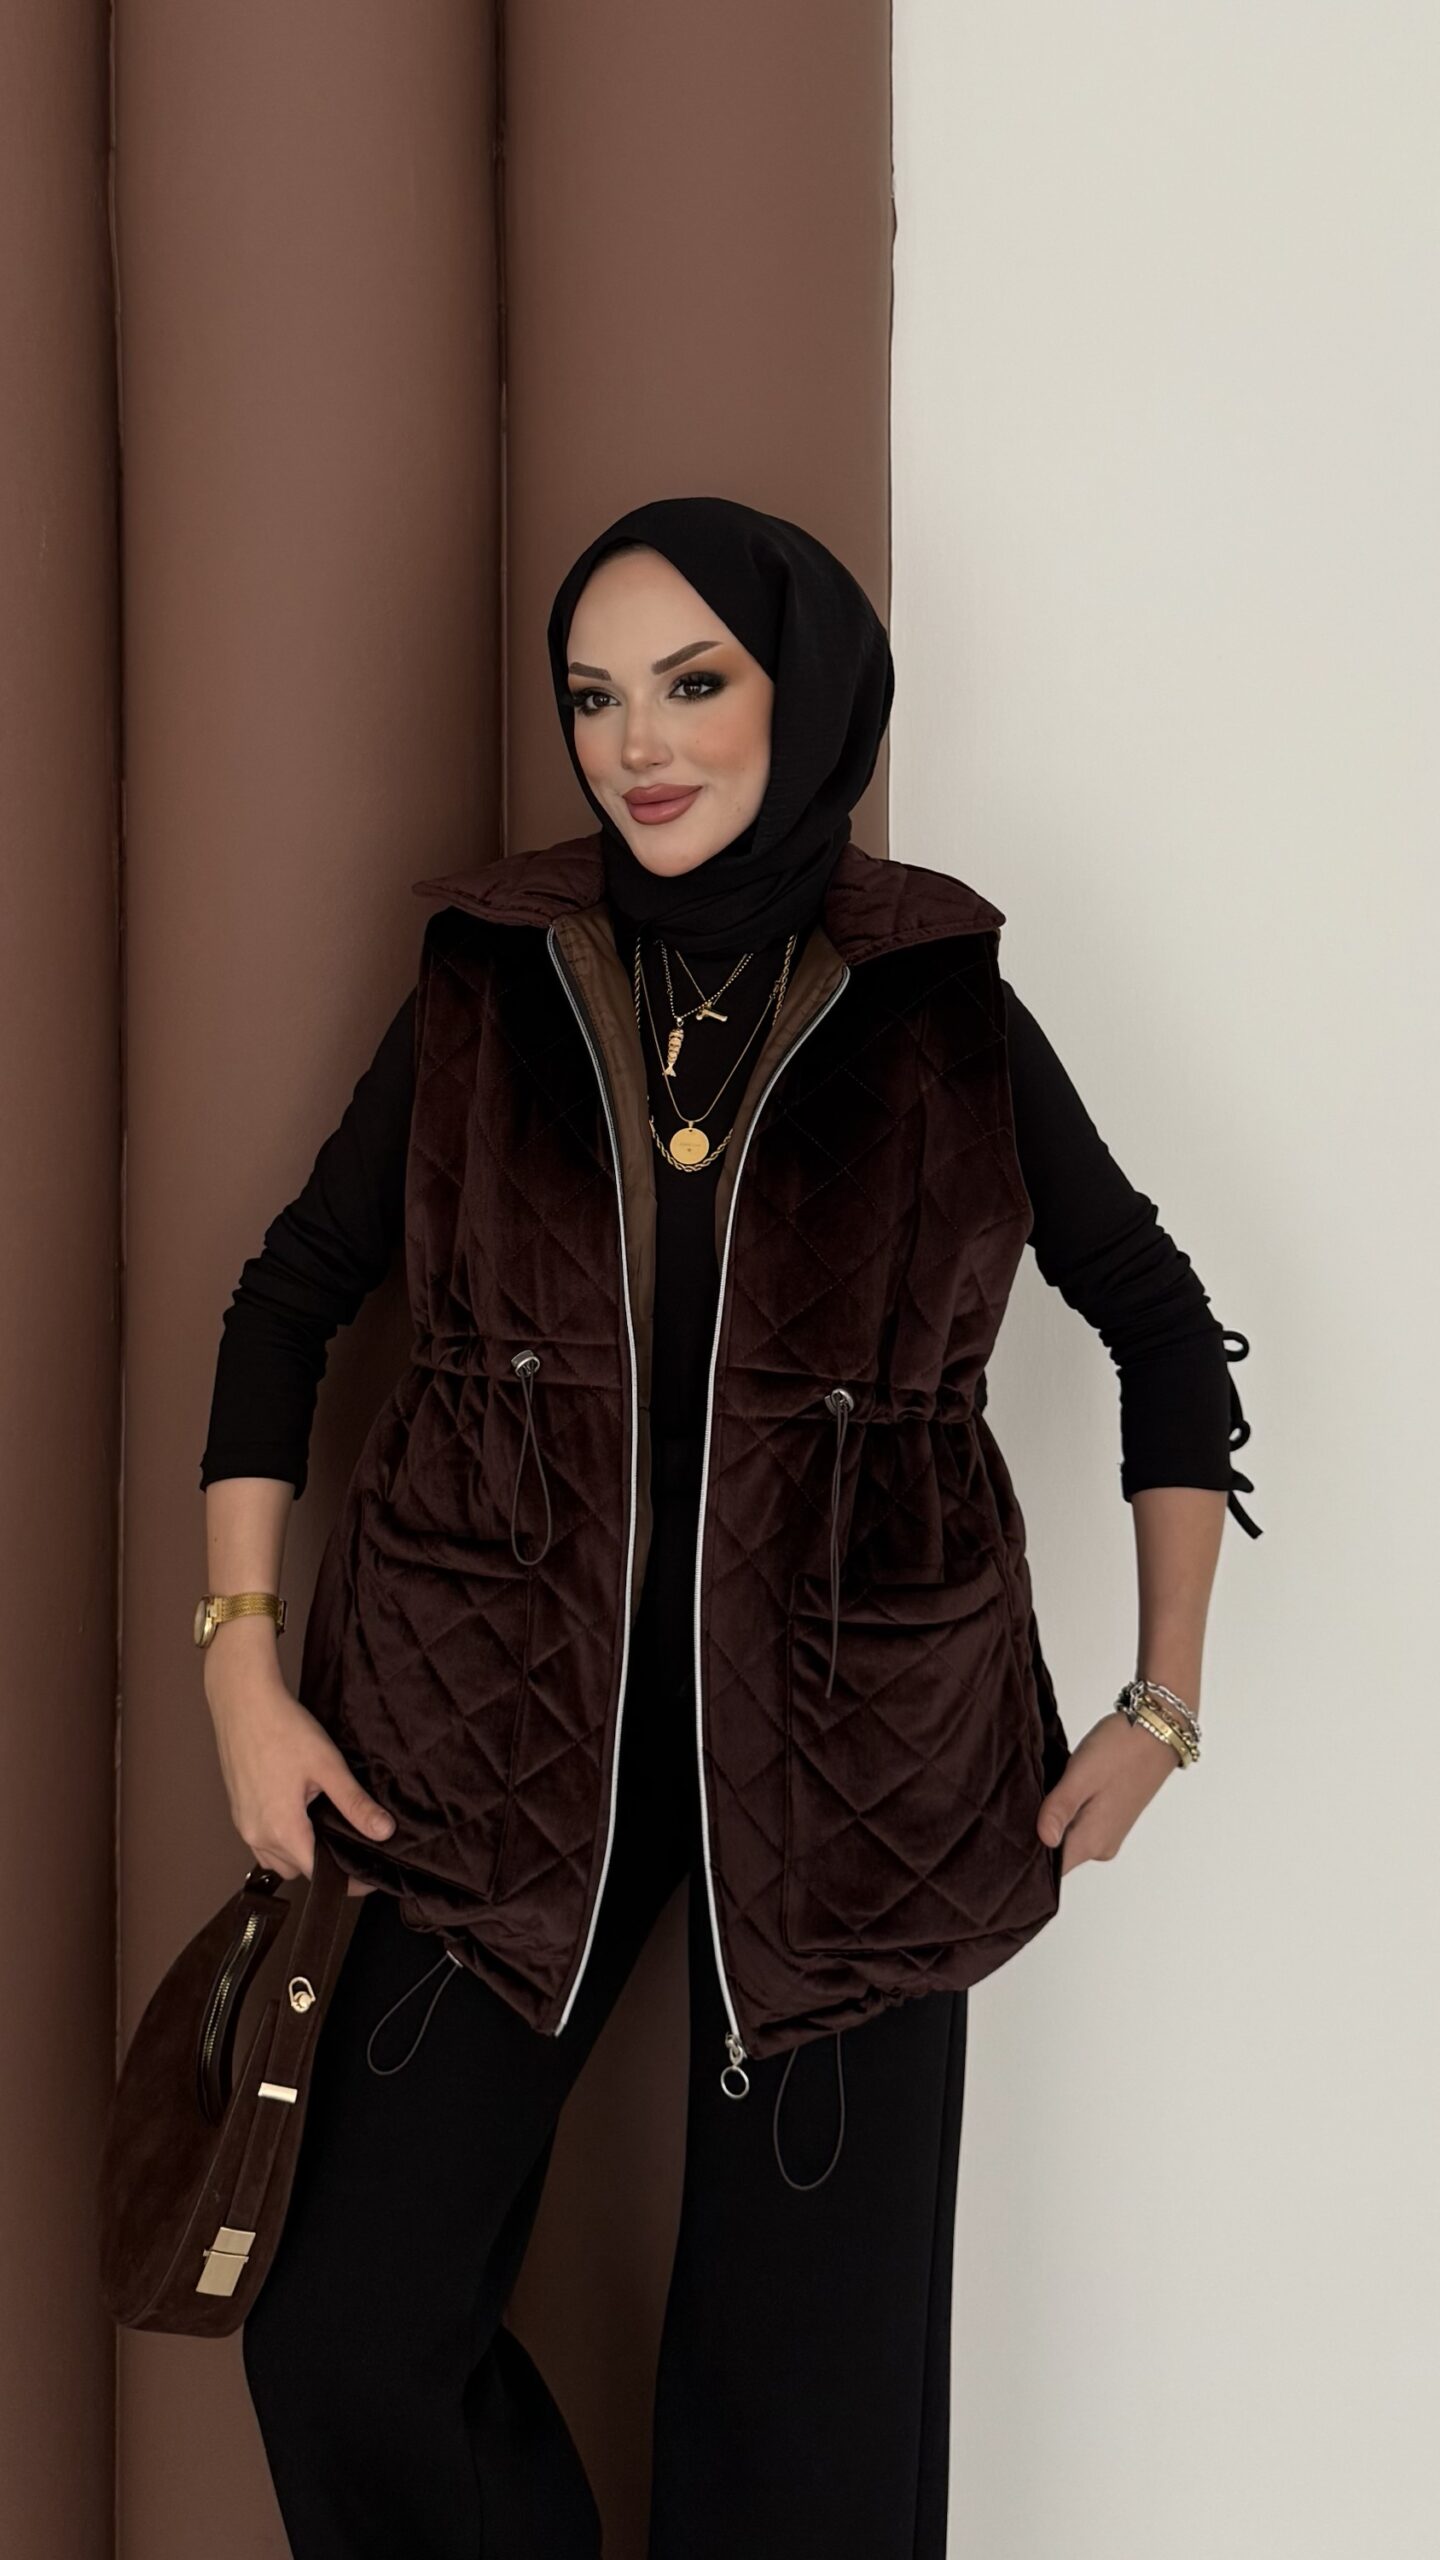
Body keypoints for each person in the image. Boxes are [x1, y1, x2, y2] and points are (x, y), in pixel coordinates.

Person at [198, 496, 1260, 2558]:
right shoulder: (493, 981)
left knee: (807, 2444)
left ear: (812, 693)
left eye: (695, 684)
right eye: (595, 696)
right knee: (341, 2333)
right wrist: (243, 1666)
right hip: (482, 1757)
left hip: (864, 1782)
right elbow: (289, 1298)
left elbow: (1154, 1321)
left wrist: (1162, 1702)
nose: (639, 744)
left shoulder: (939, 1004)